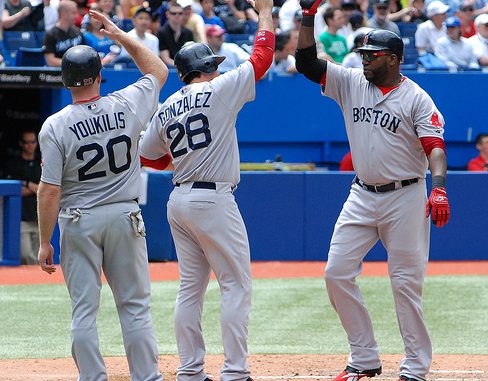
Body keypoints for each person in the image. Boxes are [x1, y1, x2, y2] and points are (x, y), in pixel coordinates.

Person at [296, 2, 451, 379]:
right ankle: (364, 357)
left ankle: (415, 366)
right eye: (363, 53)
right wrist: (307, 15)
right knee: (336, 272)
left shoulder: (416, 97)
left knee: (405, 284)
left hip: (406, 197)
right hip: (362, 195)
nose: (364, 60)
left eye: (373, 55)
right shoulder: (350, 81)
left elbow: (435, 149)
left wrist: (440, 189)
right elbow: (305, 64)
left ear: (395, 59)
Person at [138, 0, 275, 378]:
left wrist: (182, 159)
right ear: (204, 69)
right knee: (235, 285)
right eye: (212, 67)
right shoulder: (219, 91)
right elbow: (262, 58)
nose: (218, 71)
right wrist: (264, 12)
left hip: (179, 199)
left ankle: (190, 371)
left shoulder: (166, 106)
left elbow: (148, 157)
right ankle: (234, 371)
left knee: (190, 288)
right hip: (211, 198)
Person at [37, 10, 168, 381]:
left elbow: (49, 191)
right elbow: (158, 70)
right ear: (98, 76)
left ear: (65, 81)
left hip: (79, 219)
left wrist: (46, 241)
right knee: (135, 307)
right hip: (124, 216)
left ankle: (92, 378)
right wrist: (120, 36)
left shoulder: (55, 125)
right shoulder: (126, 103)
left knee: (83, 310)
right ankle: (147, 377)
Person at [3, 130, 41, 265]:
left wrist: (27, 185)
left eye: (33, 142)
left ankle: (38, 283)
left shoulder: (40, 163)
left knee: (39, 256)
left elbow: (45, 190)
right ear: (21, 144)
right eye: (26, 142)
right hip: (21, 218)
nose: (30, 145)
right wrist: (32, 186)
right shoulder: (14, 164)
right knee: (26, 255)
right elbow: (14, 191)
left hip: (39, 218)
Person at [43, 0, 86, 66]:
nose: (76, 16)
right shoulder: (51, 34)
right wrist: (73, 64)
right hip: (58, 74)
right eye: (73, 13)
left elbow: (84, 53)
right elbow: (50, 61)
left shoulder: (77, 32)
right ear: (63, 14)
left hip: (77, 72)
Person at [158, 2, 195, 66]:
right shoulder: (161, 33)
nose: (177, 16)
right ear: (167, 14)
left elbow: (191, 56)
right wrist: (182, 66)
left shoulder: (188, 33)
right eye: (173, 13)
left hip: (185, 68)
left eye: (180, 13)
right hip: (169, 70)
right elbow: (165, 59)